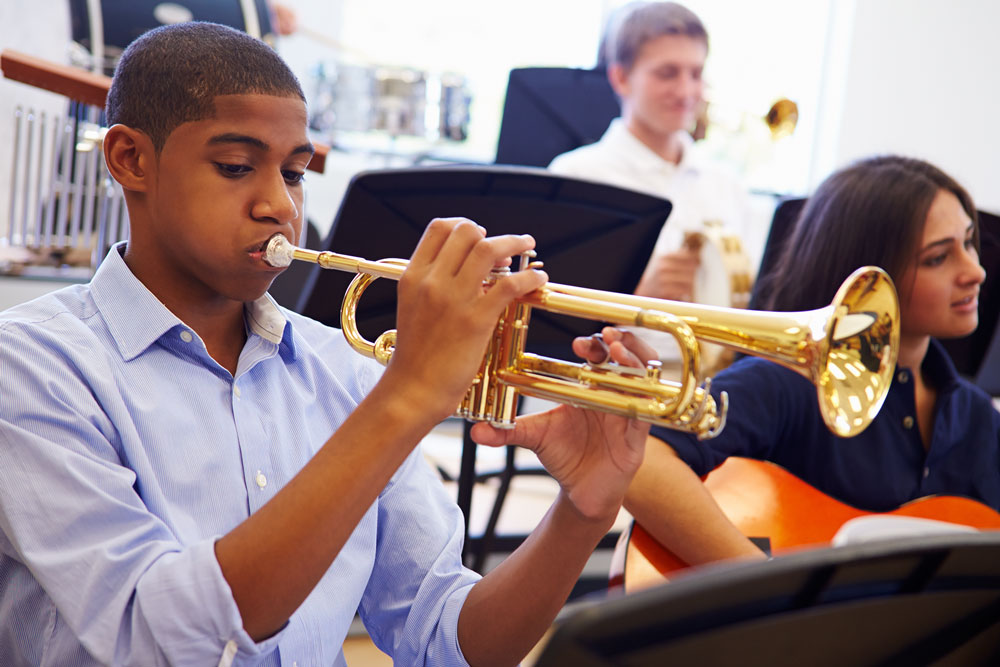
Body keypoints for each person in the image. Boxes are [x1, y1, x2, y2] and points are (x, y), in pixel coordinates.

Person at [0, 22, 649, 665]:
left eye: (296, 172)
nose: (279, 205)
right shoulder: (33, 365)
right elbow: (157, 642)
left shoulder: (341, 367)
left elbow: (451, 640)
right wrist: (406, 397)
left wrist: (582, 513)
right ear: (130, 160)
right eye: (235, 167)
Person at [587, 154, 1000, 568]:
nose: (975, 271)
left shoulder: (978, 417)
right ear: (869, 273)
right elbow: (643, 464)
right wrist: (764, 582)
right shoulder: (785, 383)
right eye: (937, 258)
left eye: (968, 242)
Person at [549, 1, 754, 314]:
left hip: (717, 363)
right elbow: (552, 320)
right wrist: (643, 293)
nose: (687, 91)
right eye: (667, 73)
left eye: (696, 73)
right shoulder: (574, 175)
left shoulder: (728, 186)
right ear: (621, 79)